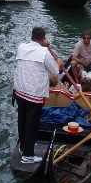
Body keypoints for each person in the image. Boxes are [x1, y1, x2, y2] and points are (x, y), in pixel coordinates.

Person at [14, 26, 65, 164]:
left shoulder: (21, 47)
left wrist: (45, 45)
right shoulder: (44, 52)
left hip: (19, 91)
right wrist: (59, 62)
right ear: (43, 39)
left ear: (32, 37)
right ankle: (28, 155)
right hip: (33, 94)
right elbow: (55, 70)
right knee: (32, 123)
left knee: (23, 120)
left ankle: (23, 147)